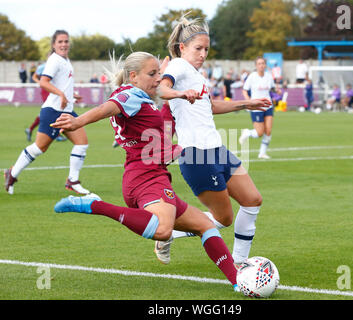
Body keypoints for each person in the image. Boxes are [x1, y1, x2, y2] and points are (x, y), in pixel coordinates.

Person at [50, 51, 239, 292]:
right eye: (152, 74)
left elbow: (148, 137)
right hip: (146, 179)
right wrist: (78, 122)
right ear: (133, 76)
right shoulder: (130, 95)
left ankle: (237, 281)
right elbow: (109, 108)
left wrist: (174, 147)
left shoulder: (141, 99)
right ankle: (94, 205)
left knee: (205, 225)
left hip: (149, 176)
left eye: (159, 73)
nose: (158, 78)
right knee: (163, 230)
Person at [157, 15, 271, 267]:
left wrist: (246, 103)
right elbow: (161, 89)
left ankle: (240, 264)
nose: (203, 54)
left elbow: (210, 106)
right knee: (224, 218)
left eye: (206, 49)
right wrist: (179, 93)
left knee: (252, 200)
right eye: (198, 48)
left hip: (217, 149)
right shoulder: (177, 66)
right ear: (182, 48)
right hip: (197, 155)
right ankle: (167, 229)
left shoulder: (197, 75)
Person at [4, 30, 90, 195]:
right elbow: (43, 82)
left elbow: (62, 83)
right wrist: (61, 94)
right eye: (60, 42)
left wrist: (71, 95)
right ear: (54, 44)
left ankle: (73, 180)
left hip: (67, 110)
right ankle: (12, 173)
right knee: (39, 148)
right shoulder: (54, 60)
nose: (64, 44)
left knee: (82, 143)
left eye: (66, 41)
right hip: (53, 111)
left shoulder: (65, 60)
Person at [239, 56, 275, 159]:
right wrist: (249, 101)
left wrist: (277, 91)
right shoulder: (252, 76)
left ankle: (262, 153)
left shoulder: (268, 76)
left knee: (268, 131)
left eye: (263, 63)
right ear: (256, 66)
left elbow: (272, 88)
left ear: (265, 65)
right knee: (259, 132)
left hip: (268, 106)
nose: (261, 65)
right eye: (259, 63)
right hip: (256, 107)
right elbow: (245, 90)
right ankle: (247, 132)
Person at [25, 57, 67, 142]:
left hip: (54, 90)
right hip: (46, 91)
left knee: (51, 111)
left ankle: (30, 129)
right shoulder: (43, 66)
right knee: (51, 110)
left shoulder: (58, 66)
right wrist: (41, 83)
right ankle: (57, 135)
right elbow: (34, 77)